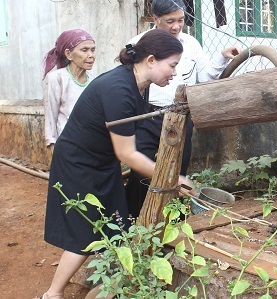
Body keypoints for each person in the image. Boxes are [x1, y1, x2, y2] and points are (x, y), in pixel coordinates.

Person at [42, 29, 194, 299]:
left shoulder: (136, 84)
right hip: (80, 163)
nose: (174, 72)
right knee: (85, 231)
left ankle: (108, 285)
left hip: (101, 161)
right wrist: (172, 180)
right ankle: (52, 294)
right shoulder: (119, 89)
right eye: (171, 65)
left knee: (114, 224)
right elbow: (127, 154)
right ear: (150, 60)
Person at [125, 0, 241, 217]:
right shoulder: (138, 43)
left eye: (180, 20)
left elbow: (205, 77)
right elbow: (128, 82)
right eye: (170, 21)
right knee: (141, 171)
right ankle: (132, 221)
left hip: (180, 116)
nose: (177, 26)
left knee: (178, 169)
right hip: (147, 115)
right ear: (155, 19)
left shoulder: (191, 44)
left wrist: (222, 57)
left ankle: (172, 221)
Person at [43, 29, 96, 153]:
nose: (91, 55)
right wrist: (53, 148)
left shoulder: (94, 79)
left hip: (91, 147)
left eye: (93, 50)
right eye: (84, 50)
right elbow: (51, 116)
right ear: (68, 54)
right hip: (67, 147)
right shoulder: (56, 79)